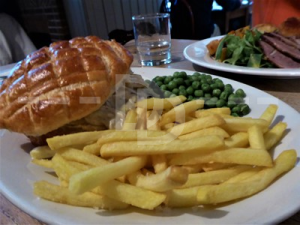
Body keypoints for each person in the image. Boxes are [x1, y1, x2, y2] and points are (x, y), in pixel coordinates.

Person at [160, 0, 242, 40]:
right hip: (201, 33)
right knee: (218, 27)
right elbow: (228, 4)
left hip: (176, 35)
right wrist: (239, 2)